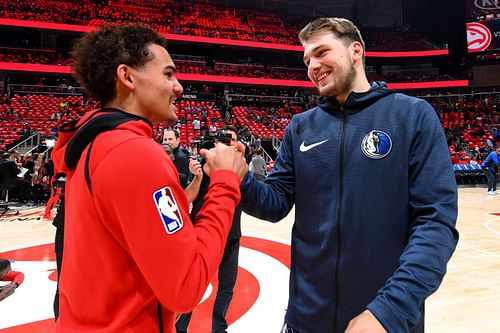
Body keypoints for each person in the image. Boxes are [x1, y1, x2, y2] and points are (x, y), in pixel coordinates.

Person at [239, 17, 458, 333]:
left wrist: (389, 311)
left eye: (321, 52)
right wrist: (238, 178)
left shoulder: (412, 116)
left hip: (383, 321)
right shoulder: (300, 127)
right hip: (305, 319)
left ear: (356, 51)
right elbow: (275, 204)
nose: (313, 65)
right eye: (307, 59)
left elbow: (435, 224)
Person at [51, 24, 247, 333]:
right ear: (127, 77)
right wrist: (225, 183)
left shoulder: (90, 144)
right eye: (168, 74)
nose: (179, 87)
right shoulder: (136, 154)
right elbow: (186, 287)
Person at [176, 125, 243, 333]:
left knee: (226, 288)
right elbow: (188, 198)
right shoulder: (203, 165)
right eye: (223, 139)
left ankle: (219, 330)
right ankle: (180, 328)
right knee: (194, 283)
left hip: (231, 236)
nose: (227, 144)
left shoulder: (242, 166)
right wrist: (197, 177)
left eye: (231, 140)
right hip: (203, 231)